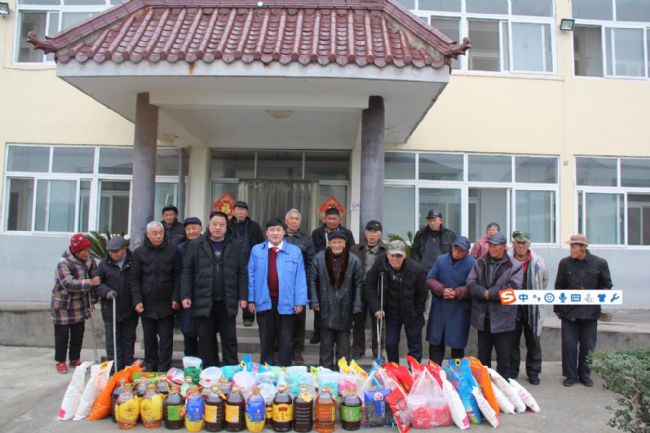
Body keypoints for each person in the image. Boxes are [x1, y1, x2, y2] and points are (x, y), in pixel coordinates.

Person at [181, 211, 248, 367]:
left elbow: (242, 272)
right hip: (203, 299)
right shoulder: (196, 244)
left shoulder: (235, 245)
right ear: (209, 225)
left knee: (229, 338)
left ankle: (231, 369)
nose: (218, 228)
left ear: (226, 226)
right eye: (215, 224)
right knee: (205, 339)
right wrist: (185, 295)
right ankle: (209, 371)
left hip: (227, 300)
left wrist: (243, 296)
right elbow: (187, 271)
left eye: (221, 225)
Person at [554, 234, 612, 387]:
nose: (571, 249)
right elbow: (559, 287)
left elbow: (607, 285)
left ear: (583, 247)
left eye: (574, 246)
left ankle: (585, 375)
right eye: (571, 246)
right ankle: (570, 375)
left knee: (588, 345)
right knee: (569, 345)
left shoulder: (599, 263)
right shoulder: (565, 263)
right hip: (569, 313)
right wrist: (558, 308)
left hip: (590, 314)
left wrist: (596, 299)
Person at [248, 219, 308, 366]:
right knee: (266, 338)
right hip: (264, 300)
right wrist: (251, 298)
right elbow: (251, 275)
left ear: (284, 232)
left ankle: (284, 368)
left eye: (278, 230)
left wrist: (300, 301)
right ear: (266, 232)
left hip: (287, 302)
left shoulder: (294, 251)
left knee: (286, 339)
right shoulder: (257, 250)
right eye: (272, 230)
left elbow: (300, 277)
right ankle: (266, 369)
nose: (275, 233)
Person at [467, 232, 523, 379]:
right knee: (483, 355)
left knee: (504, 356)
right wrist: (482, 293)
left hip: (503, 318)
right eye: (490, 245)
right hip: (483, 317)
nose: (491, 248)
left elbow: (513, 288)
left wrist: (490, 294)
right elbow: (470, 283)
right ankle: (484, 383)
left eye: (495, 246)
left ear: (504, 247)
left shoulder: (515, 266)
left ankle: (503, 384)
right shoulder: (480, 262)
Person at [365, 240, 428, 364]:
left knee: (414, 343)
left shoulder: (416, 269)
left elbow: (422, 293)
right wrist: (376, 307)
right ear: (387, 254)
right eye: (392, 255)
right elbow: (369, 285)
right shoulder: (380, 263)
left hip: (411, 310)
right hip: (392, 310)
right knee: (391, 343)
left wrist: (417, 311)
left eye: (399, 256)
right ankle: (394, 369)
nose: (395, 259)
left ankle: (414, 370)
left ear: (404, 256)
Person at [131, 221, 182, 372]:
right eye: (155, 233)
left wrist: (176, 297)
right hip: (147, 302)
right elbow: (134, 279)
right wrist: (137, 300)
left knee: (166, 339)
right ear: (148, 235)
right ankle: (151, 366)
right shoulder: (139, 253)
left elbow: (178, 276)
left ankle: (164, 368)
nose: (159, 236)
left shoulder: (172, 251)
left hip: (167, 302)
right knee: (149, 338)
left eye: (161, 233)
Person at [309, 231, 363, 369]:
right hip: (325, 306)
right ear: (329, 243)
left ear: (345, 244)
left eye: (340, 242)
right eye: (334, 242)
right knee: (326, 347)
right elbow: (312, 280)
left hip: (345, 307)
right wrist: (314, 300)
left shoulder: (354, 260)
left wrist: (357, 304)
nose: (337, 245)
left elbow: (358, 284)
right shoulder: (319, 258)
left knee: (344, 348)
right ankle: (325, 374)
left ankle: (343, 374)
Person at [51, 233, 100, 373]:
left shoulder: (90, 261)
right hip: (63, 304)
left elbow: (96, 278)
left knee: (78, 333)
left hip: (80, 303)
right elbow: (68, 283)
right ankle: (60, 361)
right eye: (83, 251)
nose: (86, 253)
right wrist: (89, 282)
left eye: (87, 250)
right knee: (62, 335)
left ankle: (74, 359)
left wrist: (93, 300)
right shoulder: (63, 263)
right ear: (75, 250)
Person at [425, 236, 476, 365]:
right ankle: (434, 372)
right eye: (455, 247)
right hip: (440, 307)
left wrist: (457, 292)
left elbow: (474, 286)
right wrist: (441, 289)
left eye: (461, 249)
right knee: (436, 343)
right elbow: (430, 279)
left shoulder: (472, 263)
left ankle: (456, 373)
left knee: (457, 346)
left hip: (459, 309)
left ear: (467, 252)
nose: (457, 251)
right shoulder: (441, 260)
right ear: (452, 246)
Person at [310, 207, 355, 344]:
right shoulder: (316, 233)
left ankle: (339, 331)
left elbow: (351, 250)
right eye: (329, 218)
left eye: (335, 219)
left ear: (339, 219)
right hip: (322, 270)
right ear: (324, 219)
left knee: (340, 302)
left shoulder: (347, 233)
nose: (332, 221)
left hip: (341, 271)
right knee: (321, 303)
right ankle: (318, 332)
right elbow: (313, 251)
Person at [509, 230, 548, 385]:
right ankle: (512, 371)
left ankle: (533, 372)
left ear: (529, 244)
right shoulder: (507, 259)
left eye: (524, 243)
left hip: (532, 308)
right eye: (518, 242)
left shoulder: (538, 261)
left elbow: (543, 281)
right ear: (513, 243)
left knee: (533, 341)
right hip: (512, 307)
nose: (521, 246)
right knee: (512, 341)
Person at [95, 236, 138, 372]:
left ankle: (128, 368)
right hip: (111, 309)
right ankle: (114, 369)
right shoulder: (103, 264)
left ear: (124, 249)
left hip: (129, 308)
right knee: (112, 341)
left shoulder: (134, 261)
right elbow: (97, 283)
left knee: (128, 339)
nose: (113, 255)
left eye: (116, 251)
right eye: (111, 252)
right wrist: (106, 291)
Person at [350, 220, 387, 360]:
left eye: (375, 232)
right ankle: (358, 349)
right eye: (370, 231)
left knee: (378, 322)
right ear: (365, 233)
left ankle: (378, 350)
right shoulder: (355, 249)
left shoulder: (386, 250)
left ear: (380, 234)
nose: (372, 235)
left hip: (377, 291)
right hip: (359, 289)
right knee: (358, 322)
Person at [284, 208, 316, 365]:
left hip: (299, 285)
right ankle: (281, 348)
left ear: (300, 222)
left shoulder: (307, 240)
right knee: (281, 318)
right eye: (292, 218)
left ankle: (297, 350)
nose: (294, 221)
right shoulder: (278, 236)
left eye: (297, 219)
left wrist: (306, 283)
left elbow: (311, 263)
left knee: (299, 319)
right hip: (281, 284)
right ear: (286, 221)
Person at [229, 200, 265, 327]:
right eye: (238, 209)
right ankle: (230, 316)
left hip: (250, 261)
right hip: (232, 261)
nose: (240, 212)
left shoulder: (254, 226)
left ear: (247, 212)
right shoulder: (227, 225)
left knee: (249, 288)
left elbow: (262, 243)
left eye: (243, 210)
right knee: (232, 289)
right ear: (234, 211)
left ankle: (248, 317)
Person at [176, 216, 203, 358]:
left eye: (194, 228)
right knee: (189, 331)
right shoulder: (180, 248)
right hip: (186, 295)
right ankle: (191, 362)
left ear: (201, 229)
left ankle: (208, 362)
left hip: (204, 295)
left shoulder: (208, 245)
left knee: (206, 332)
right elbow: (178, 273)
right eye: (188, 229)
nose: (191, 231)